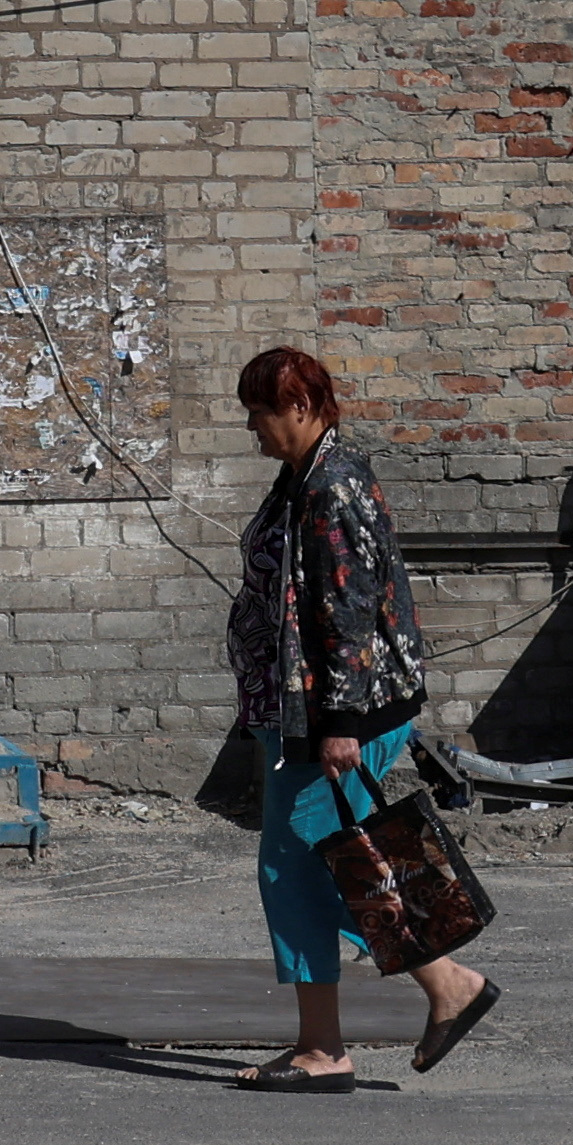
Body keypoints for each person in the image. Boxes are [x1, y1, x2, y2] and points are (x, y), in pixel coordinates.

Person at [226, 343, 497, 1088]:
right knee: (323, 865)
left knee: (305, 865)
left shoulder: (332, 487)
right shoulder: (302, 477)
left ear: (302, 408)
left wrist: (340, 719)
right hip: (313, 713)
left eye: (260, 412)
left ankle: (419, 997)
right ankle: (360, 1024)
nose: (251, 427)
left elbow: (346, 611)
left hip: (342, 715)